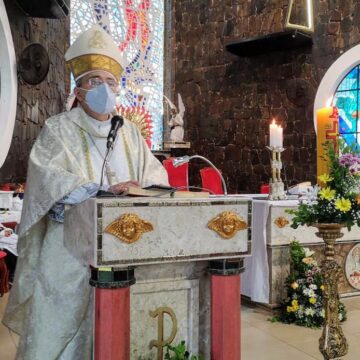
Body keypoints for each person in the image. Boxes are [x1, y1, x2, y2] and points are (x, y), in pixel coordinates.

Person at [2, 25, 168, 359]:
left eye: (110, 82)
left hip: (124, 244)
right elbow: (45, 178)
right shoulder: (58, 129)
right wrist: (98, 190)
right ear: (78, 91)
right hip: (69, 247)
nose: (103, 89)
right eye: (94, 81)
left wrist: (141, 187)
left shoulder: (129, 133)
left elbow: (157, 177)